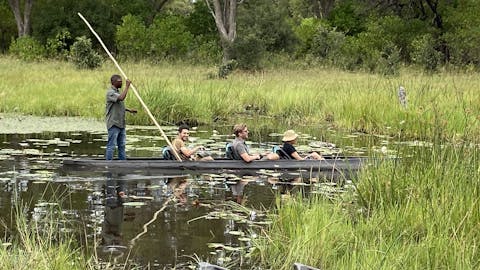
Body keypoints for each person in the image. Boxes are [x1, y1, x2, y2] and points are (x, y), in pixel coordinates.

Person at [105, 74, 137, 160]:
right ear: (113, 82)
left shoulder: (117, 92)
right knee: (111, 145)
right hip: (114, 123)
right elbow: (121, 98)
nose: (121, 83)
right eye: (119, 82)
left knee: (122, 145)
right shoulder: (110, 93)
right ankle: (108, 164)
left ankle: (122, 162)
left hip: (121, 124)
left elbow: (119, 105)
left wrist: (129, 110)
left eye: (122, 82)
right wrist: (127, 86)